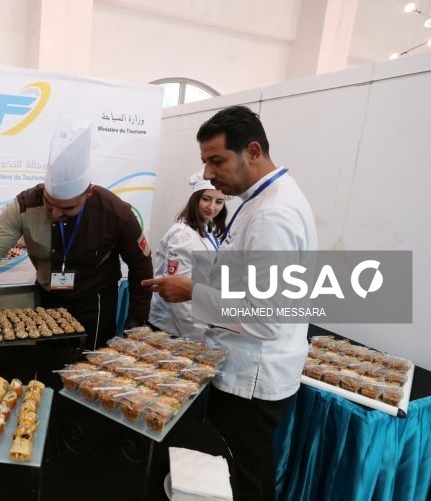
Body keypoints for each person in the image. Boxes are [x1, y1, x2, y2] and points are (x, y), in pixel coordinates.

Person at [142, 106, 316, 501]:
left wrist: (191, 292)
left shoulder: (273, 214)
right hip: (248, 366)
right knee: (241, 469)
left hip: (252, 377)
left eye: (216, 160)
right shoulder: (261, 201)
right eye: (204, 162)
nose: (207, 174)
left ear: (252, 151)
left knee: (243, 476)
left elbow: (268, 316)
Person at [0, 117, 154, 351]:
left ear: (89, 193)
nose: (55, 213)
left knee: (91, 365)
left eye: (68, 208)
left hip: (96, 301)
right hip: (48, 298)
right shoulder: (25, 205)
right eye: (50, 203)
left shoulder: (115, 212)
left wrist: (137, 316)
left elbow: (140, 264)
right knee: (49, 360)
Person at [147, 169, 226, 339]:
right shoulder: (182, 235)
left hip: (193, 321)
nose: (212, 207)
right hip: (171, 328)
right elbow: (177, 296)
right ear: (195, 199)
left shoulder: (208, 229)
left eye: (219, 202)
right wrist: (199, 337)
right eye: (206, 199)